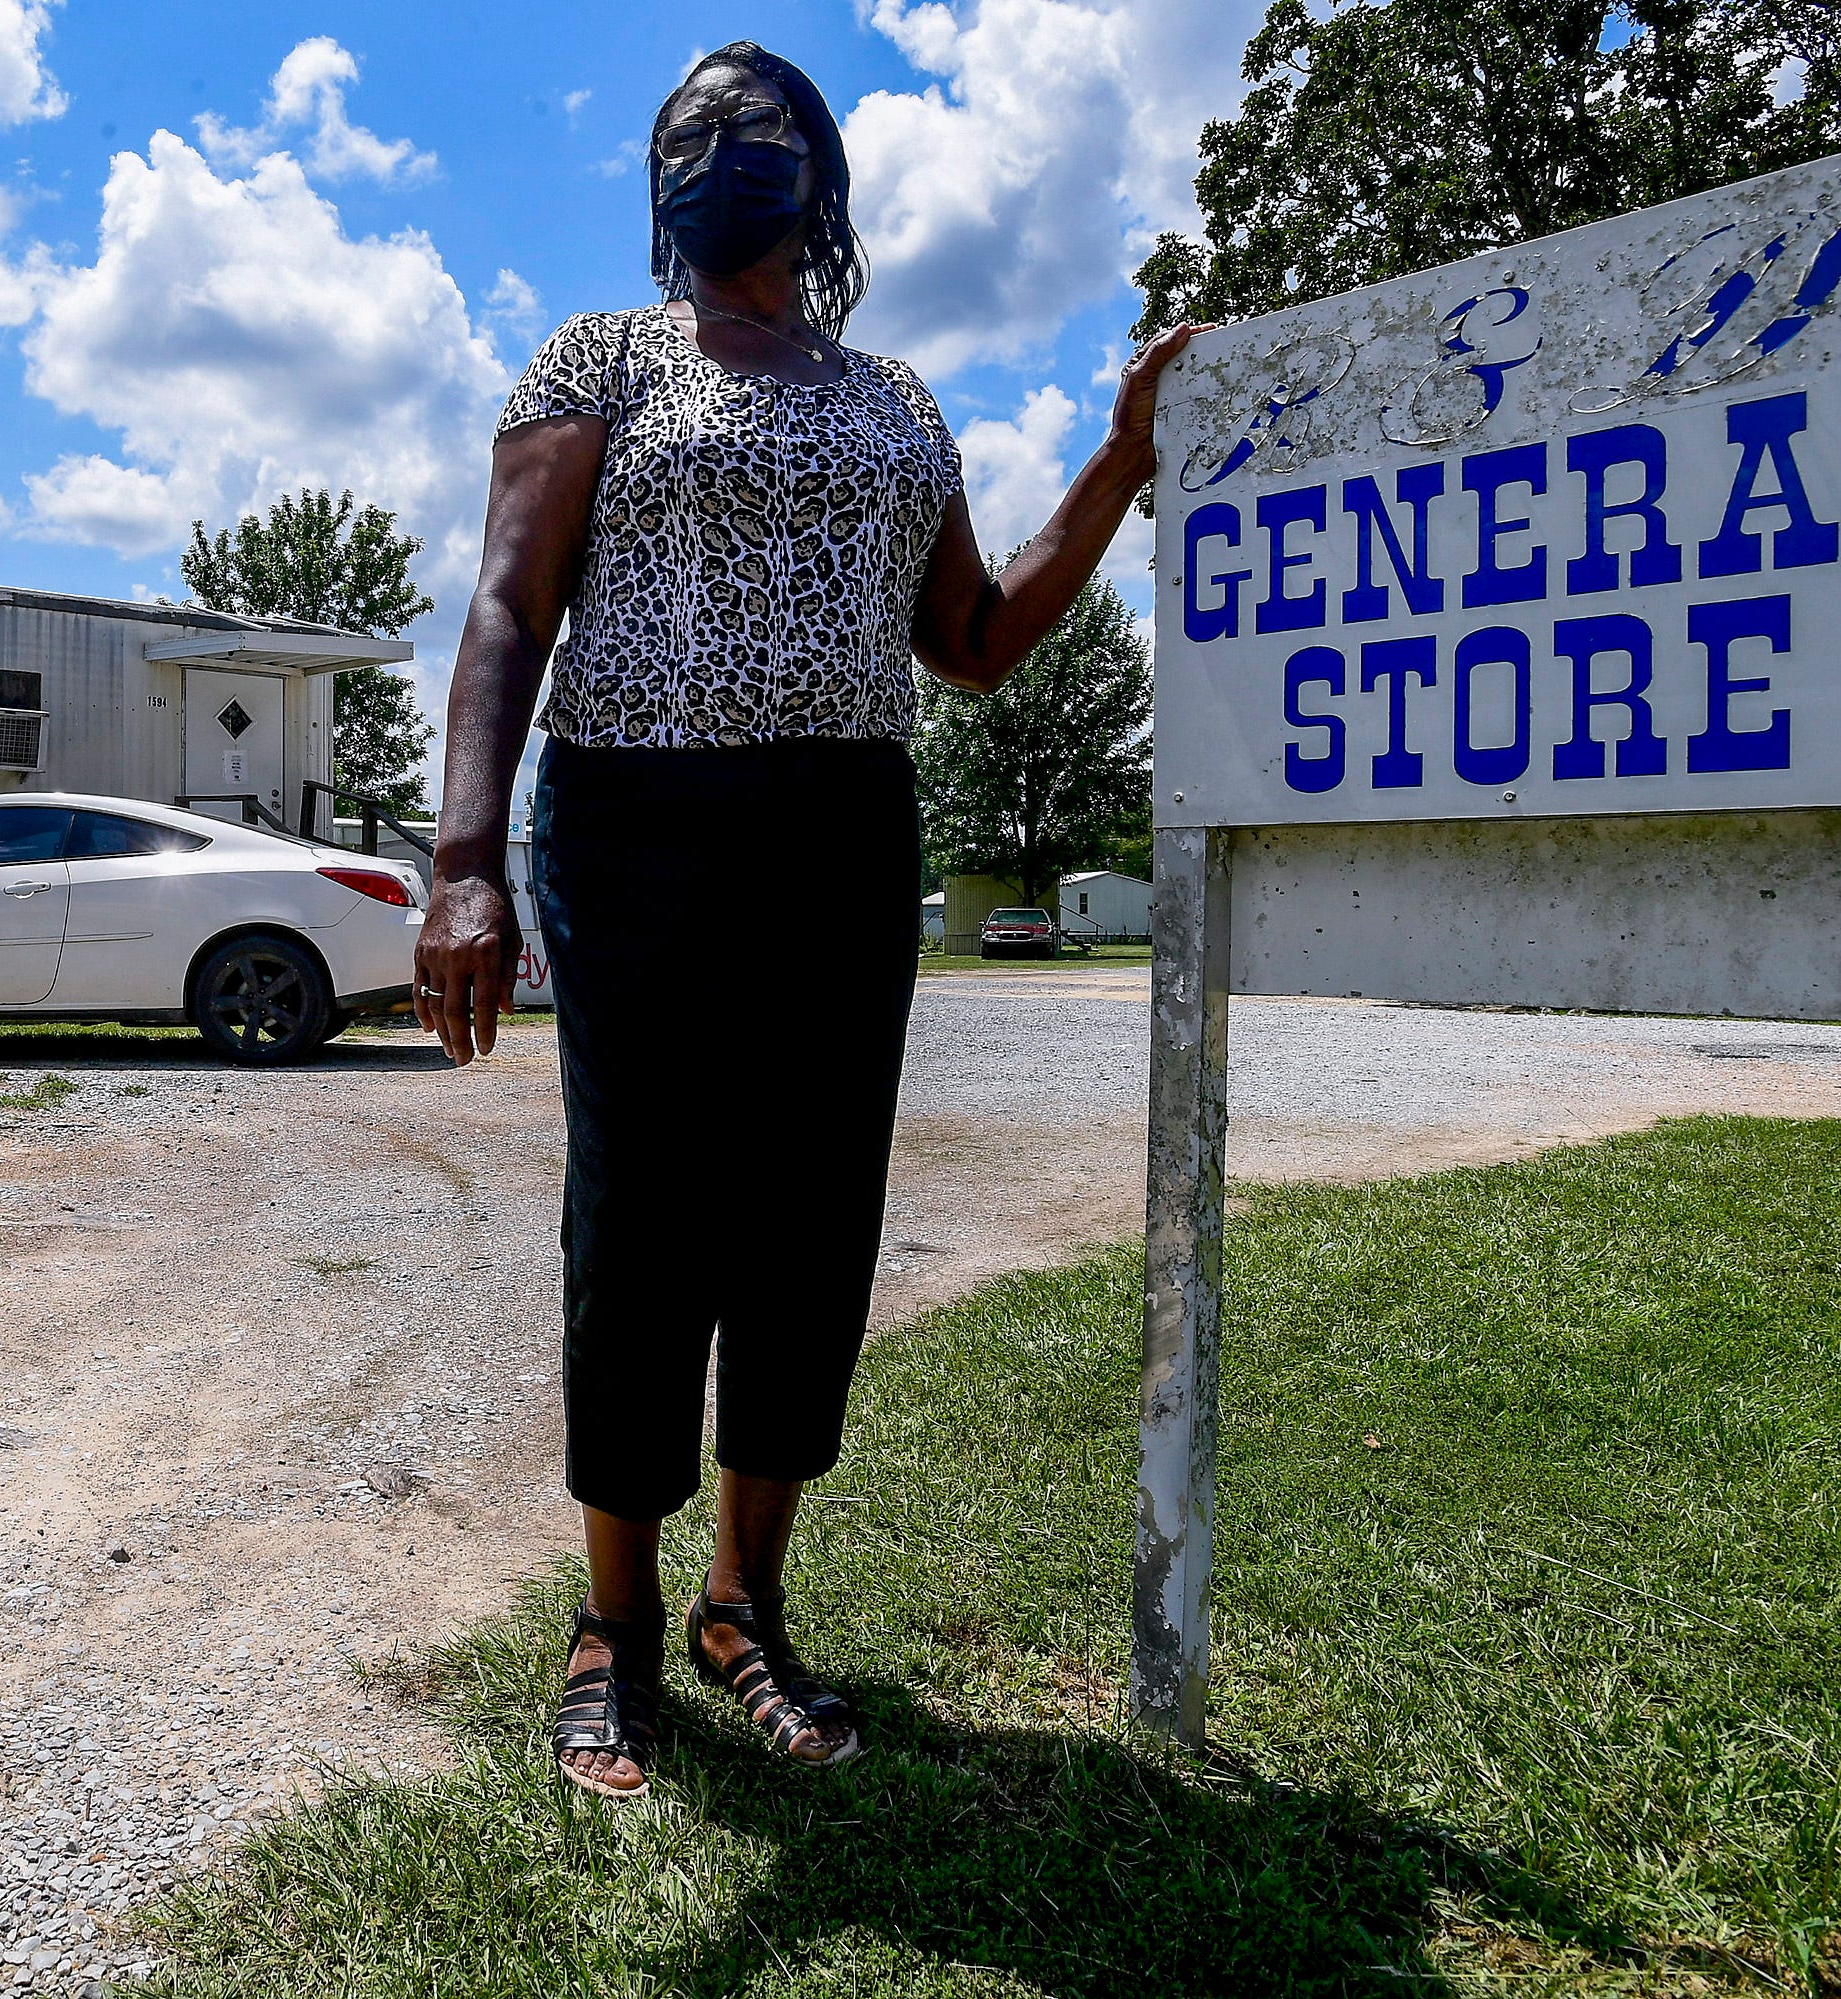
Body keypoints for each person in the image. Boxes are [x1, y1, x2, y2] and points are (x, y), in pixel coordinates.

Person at [412, 40, 1200, 1800]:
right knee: (641, 1215)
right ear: (661, 185)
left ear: (819, 177)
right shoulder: (599, 363)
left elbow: (980, 642)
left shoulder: (898, 401)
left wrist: (1126, 459)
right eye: (688, 127)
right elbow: (504, 612)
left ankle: (741, 1606)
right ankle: (611, 1623)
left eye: (753, 122)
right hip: (633, 825)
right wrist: (463, 858)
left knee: (808, 1222)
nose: (719, 146)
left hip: (843, 833)